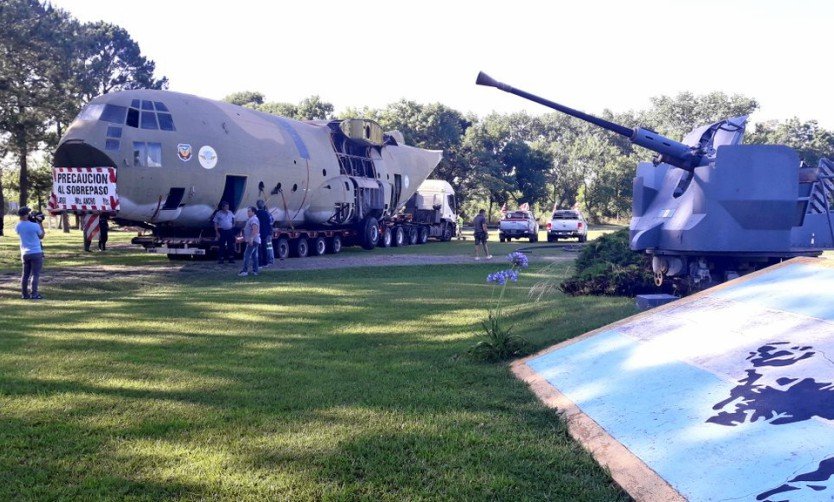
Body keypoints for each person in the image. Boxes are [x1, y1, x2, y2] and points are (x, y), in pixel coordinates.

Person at [15, 207, 45, 300]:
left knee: (25, 275)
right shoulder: (35, 225)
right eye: (28, 213)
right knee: (35, 274)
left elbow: (20, 232)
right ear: (25, 215)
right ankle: (34, 294)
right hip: (36, 252)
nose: (29, 214)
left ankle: (24, 294)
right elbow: (41, 235)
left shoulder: (18, 226)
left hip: (24, 253)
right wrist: (39, 222)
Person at [239, 206, 260, 276]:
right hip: (254, 240)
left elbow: (255, 230)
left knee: (246, 255)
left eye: (249, 211)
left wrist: (251, 238)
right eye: (247, 211)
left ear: (253, 212)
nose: (247, 212)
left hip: (253, 240)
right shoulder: (251, 219)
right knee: (254, 256)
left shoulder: (253, 219)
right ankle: (255, 271)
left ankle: (245, 271)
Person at [255, 200, 274, 267]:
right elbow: (270, 223)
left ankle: (260, 262)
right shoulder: (267, 214)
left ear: (257, 205)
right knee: (265, 248)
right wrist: (269, 231)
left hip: (258, 233)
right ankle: (265, 262)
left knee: (259, 249)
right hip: (265, 234)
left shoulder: (256, 214)